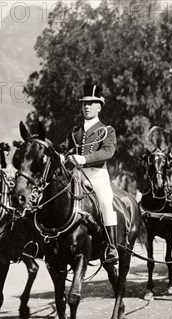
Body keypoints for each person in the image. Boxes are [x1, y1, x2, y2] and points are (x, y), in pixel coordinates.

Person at [59, 82, 119, 264]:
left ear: (99, 106)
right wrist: (60, 155)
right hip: (76, 176)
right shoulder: (75, 131)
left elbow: (108, 152)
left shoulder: (107, 130)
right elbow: (63, 148)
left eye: (91, 103)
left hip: (96, 176)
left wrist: (83, 159)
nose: (86, 107)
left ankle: (111, 247)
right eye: (84, 103)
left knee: (106, 203)